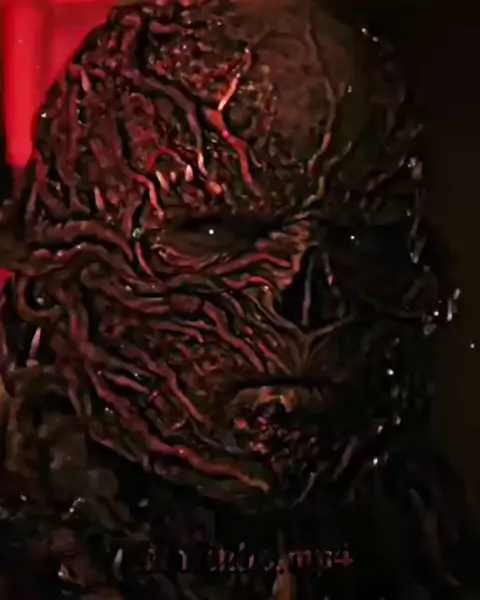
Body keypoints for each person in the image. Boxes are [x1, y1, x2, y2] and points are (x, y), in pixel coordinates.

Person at [0, 0, 478, 598]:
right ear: (51, 264)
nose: (302, 300)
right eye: (211, 230)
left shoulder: (412, 539)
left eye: (365, 237)